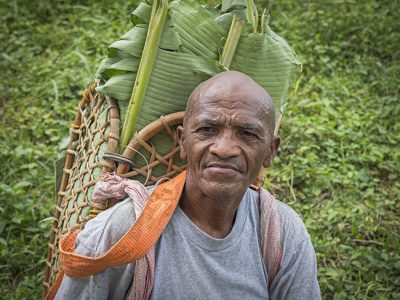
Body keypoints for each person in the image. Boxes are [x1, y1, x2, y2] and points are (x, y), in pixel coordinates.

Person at [55, 71, 321, 299]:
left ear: (270, 151)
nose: (225, 149)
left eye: (248, 134)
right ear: (183, 142)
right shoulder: (122, 230)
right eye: (207, 130)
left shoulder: (284, 234)